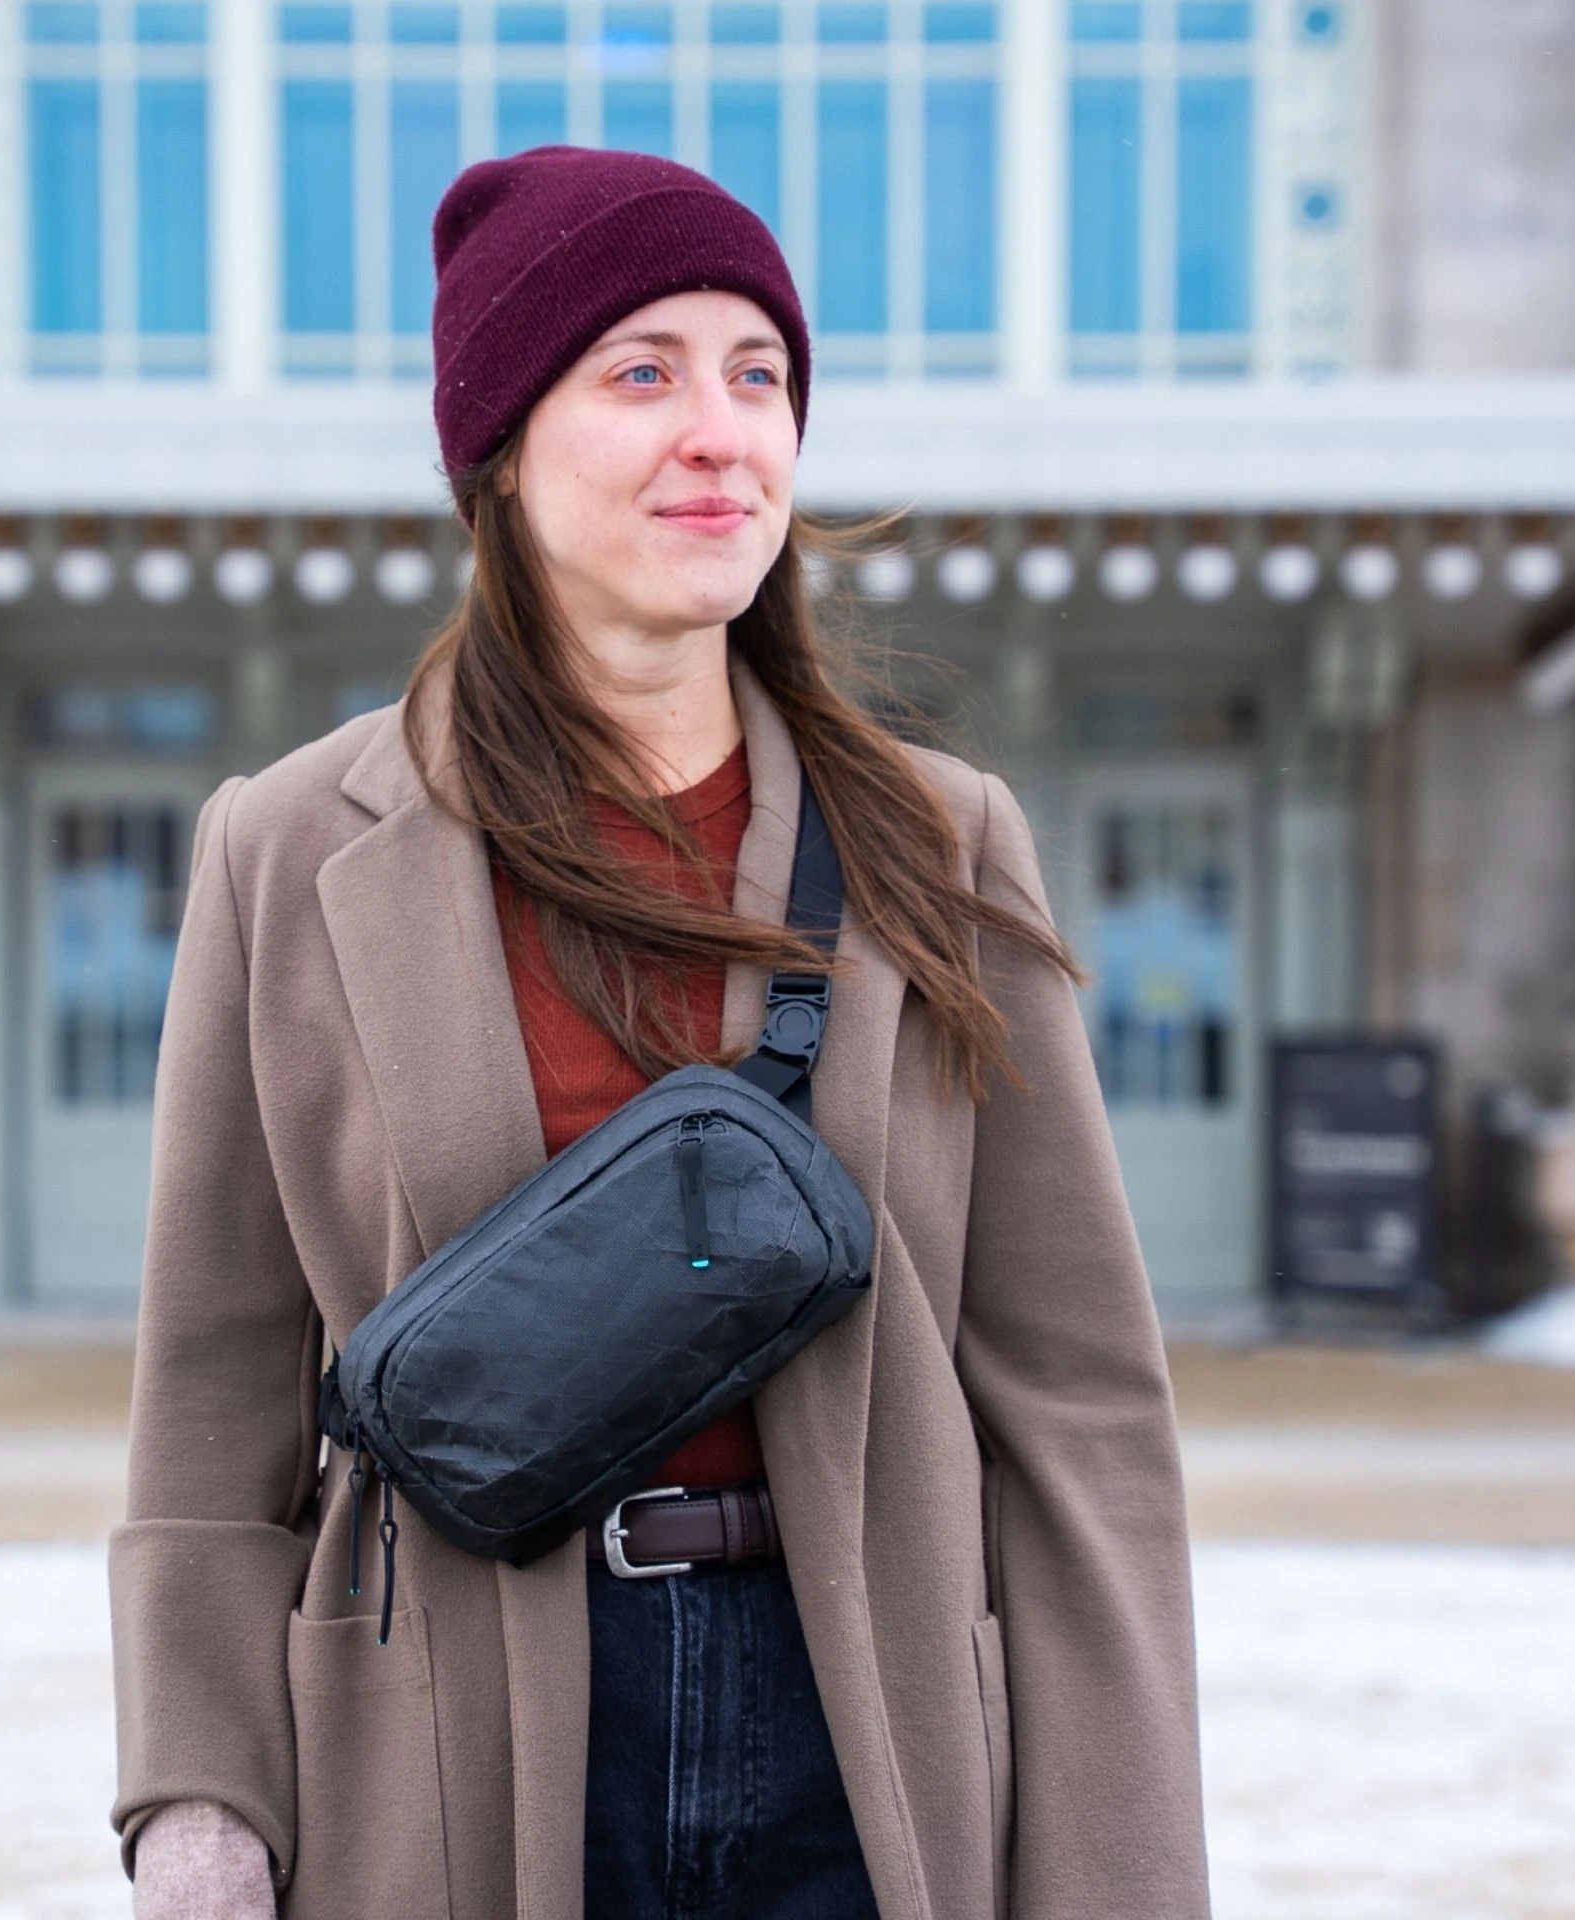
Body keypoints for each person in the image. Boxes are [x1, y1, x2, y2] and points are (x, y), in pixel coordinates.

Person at [112, 146, 1209, 1920]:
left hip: (877, 1736)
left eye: (758, 374)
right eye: (644, 372)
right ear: (501, 448)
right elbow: (214, 1393)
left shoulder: (943, 844)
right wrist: (198, 1806)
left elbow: (1080, 1410)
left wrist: (1118, 1867)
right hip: (453, 1730)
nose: (723, 432)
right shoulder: (294, 848)